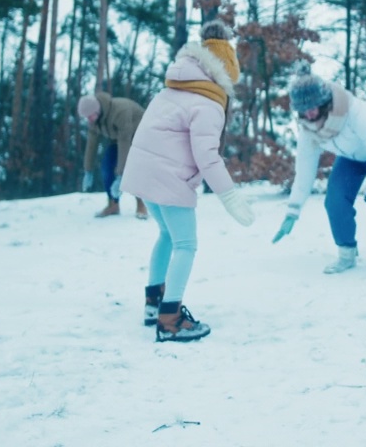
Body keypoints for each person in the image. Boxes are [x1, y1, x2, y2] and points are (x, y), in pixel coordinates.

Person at [121, 20, 255, 343]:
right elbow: (207, 156)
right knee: (185, 244)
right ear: (225, 73)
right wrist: (230, 196)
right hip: (169, 179)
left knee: (167, 234)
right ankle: (170, 319)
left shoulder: (172, 88)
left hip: (143, 175)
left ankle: (154, 303)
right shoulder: (208, 103)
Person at [272, 68, 366, 273]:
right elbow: (305, 171)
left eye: (313, 107)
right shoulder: (309, 130)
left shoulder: (355, 112)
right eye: (303, 110)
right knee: (334, 201)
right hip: (351, 159)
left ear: (324, 102)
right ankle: (346, 253)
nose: (309, 114)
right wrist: (293, 210)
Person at [78, 91, 146, 219]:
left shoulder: (120, 111)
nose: (88, 120)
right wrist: (88, 170)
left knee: (135, 168)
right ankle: (113, 204)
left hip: (141, 137)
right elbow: (91, 144)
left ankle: (141, 204)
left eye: (89, 116)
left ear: (96, 111)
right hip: (120, 139)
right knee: (106, 165)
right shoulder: (94, 120)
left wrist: (120, 175)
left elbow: (125, 142)